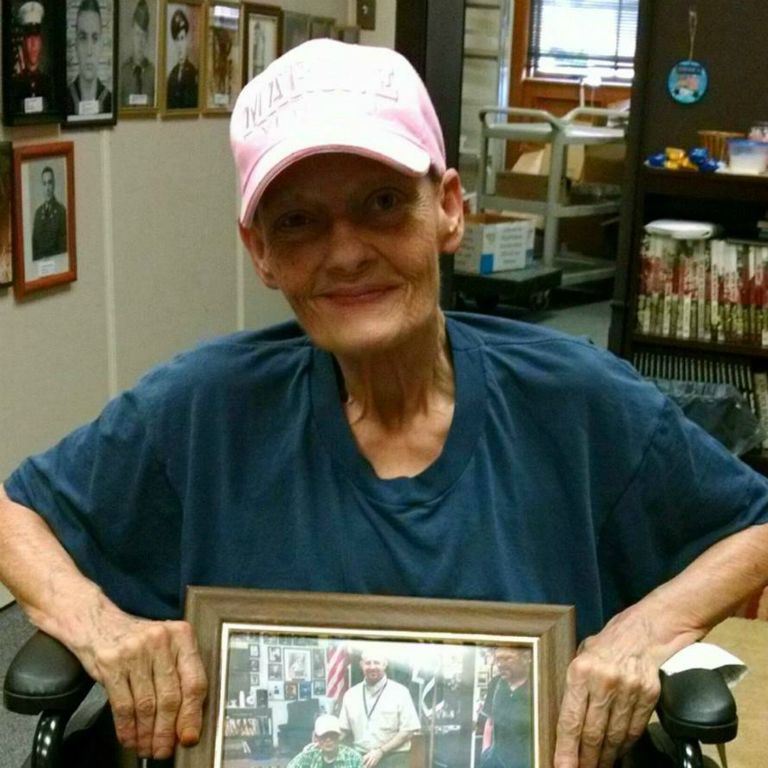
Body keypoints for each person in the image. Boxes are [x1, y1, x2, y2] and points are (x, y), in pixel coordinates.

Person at [1, 38, 767, 768]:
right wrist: (102, 628)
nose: (344, 253)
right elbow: (14, 516)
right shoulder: (203, 408)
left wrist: (647, 629)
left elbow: (755, 524)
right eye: (298, 221)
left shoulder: (576, 400)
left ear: (449, 209)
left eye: (382, 202)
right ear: (260, 250)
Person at [338, 648, 420, 768]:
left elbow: (408, 731)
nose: (372, 667)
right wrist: (323, 740)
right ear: (361, 665)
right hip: (361, 759)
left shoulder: (400, 692)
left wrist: (381, 751)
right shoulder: (350, 695)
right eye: (368, 663)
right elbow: (343, 729)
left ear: (384, 664)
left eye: (376, 662)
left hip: (393, 759)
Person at [480, 648, 532, 768]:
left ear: (525, 658)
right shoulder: (495, 683)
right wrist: (485, 750)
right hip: (495, 761)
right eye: (498, 659)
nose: (501, 664)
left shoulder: (536, 685)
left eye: (508, 659)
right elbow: (490, 721)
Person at [66, 0, 113, 117]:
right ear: (75, 44)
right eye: (83, 38)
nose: (89, 51)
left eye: (95, 38)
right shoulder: (64, 99)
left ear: (102, 45)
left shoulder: (110, 101)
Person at [11, 1, 54, 113]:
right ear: (23, 42)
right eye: (29, 38)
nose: (33, 45)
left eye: (36, 38)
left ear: (41, 42)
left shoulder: (48, 83)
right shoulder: (16, 84)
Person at [288, 714, 364, 768]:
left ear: (339, 736)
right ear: (317, 737)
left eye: (332, 735)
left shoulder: (353, 758)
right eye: (324, 736)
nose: (328, 740)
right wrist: (305, 752)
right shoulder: (309, 755)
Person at [119, 0, 155, 108]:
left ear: (147, 38)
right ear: (132, 35)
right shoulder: (123, 73)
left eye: (143, 35)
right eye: (137, 34)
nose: (140, 41)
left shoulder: (153, 73)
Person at [31, 166, 67, 260]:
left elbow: (63, 250)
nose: (47, 188)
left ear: (54, 184)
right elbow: (34, 248)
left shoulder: (61, 212)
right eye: (44, 184)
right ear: (42, 187)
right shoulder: (38, 214)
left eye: (50, 183)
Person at [166, 8, 198, 109]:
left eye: (182, 38)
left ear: (187, 40)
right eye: (176, 40)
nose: (179, 45)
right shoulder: (172, 74)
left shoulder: (193, 73)